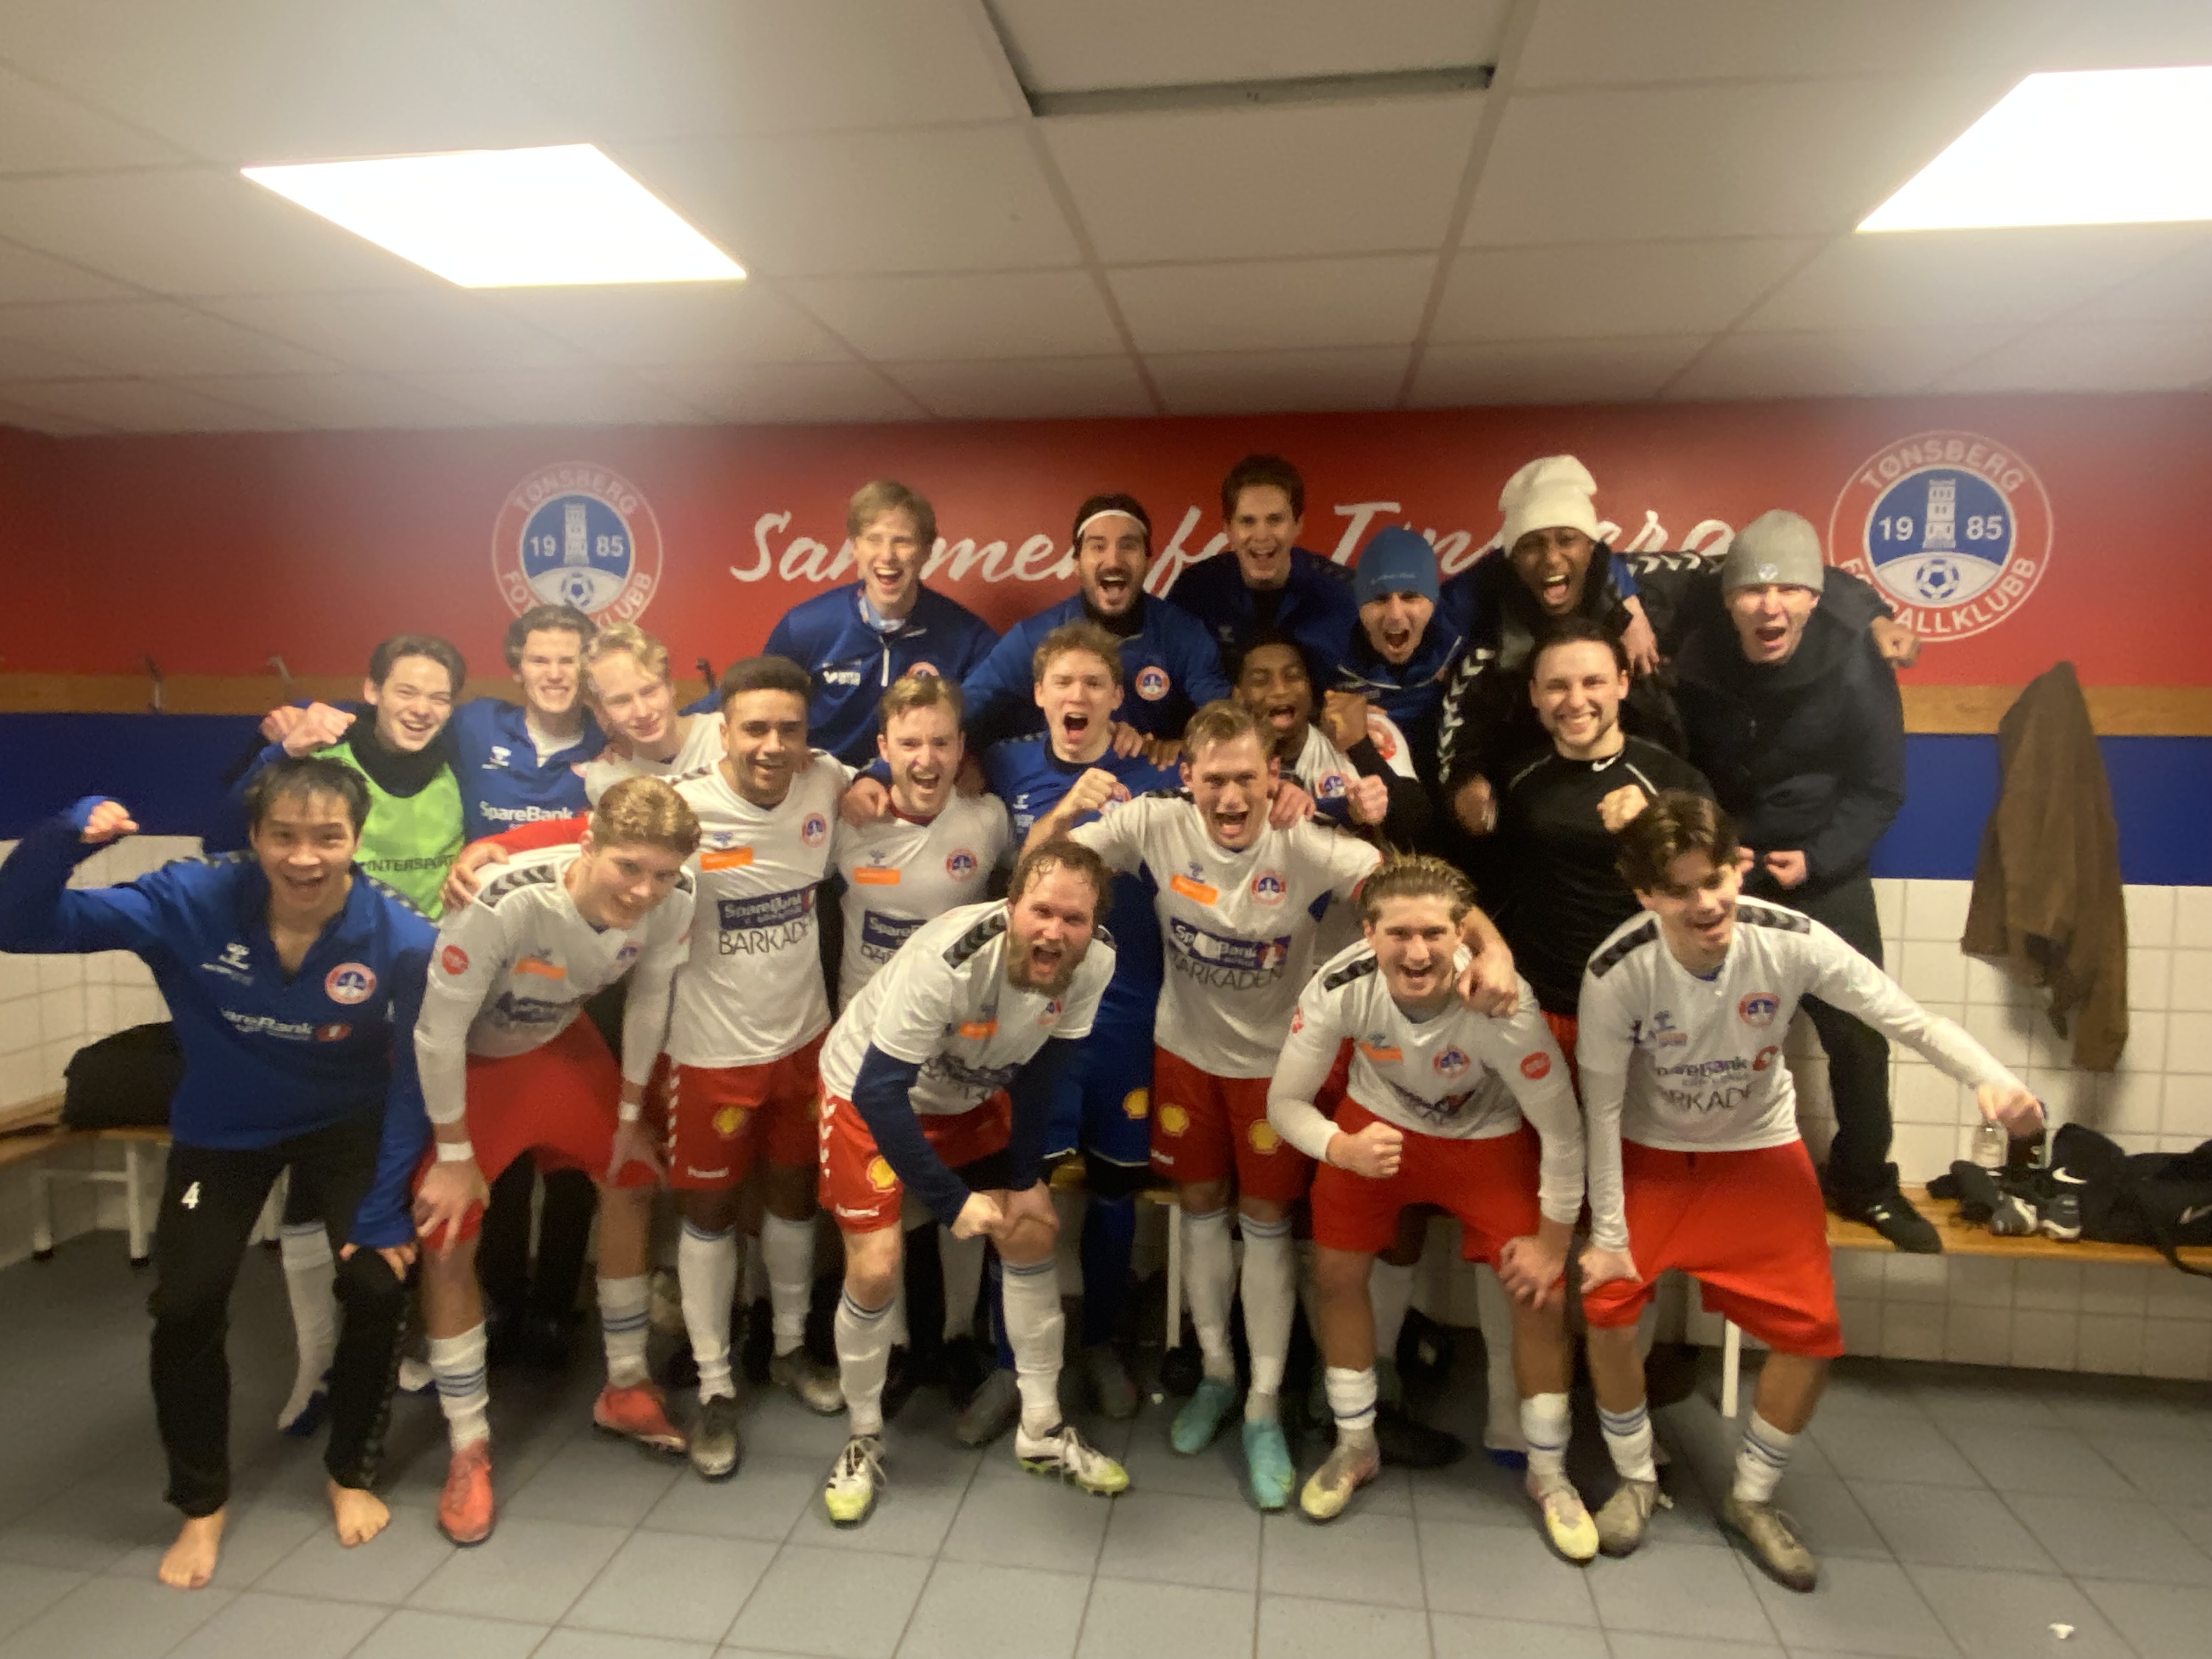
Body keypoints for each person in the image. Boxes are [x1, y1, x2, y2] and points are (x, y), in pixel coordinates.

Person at [1576, 792, 2043, 1589]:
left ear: (1737, 868)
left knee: (1812, 1333)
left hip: (1759, 1153)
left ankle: (1752, 1497)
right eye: (1680, 891)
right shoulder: (1617, 972)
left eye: (1715, 879)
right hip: (1654, 1155)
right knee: (1607, 1311)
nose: (1706, 904)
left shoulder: (1790, 940)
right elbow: (1603, 1109)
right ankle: (1636, 1479)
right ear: (1647, 895)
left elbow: (1906, 1019)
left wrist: (1989, 1078)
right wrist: (1611, 1235)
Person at [0, 758, 431, 1588]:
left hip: (348, 1125)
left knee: (377, 1284)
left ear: (356, 840)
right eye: (284, 836)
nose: (304, 858)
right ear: (255, 836)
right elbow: (19, 924)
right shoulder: (189, 899)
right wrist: (65, 836)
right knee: (187, 1304)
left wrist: (385, 1208)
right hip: (224, 1131)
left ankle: (351, 1472)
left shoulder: (403, 936)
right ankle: (201, 1505)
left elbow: (418, 1074)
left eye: (327, 838)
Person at [1032, 701, 1397, 1510]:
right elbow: (1044, 868)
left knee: (1264, 1225)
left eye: (1247, 780)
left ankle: (1264, 1404)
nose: (1231, 799)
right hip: (1185, 1054)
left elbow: (1397, 894)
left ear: (1275, 777)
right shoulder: (1153, 823)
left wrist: (1363, 819)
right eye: (1215, 780)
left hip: (1276, 1071)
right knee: (1198, 1213)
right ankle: (1219, 1377)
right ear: (1188, 776)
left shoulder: (1304, 840)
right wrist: (1063, 810)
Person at [1267, 856, 1597, 1557]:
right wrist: (1339, 1148)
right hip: (1376, 1127)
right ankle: (1356, 1444)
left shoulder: (1502, 1004)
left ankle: (1550, 1473)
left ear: (1460, 936)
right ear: (1369, 934)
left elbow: (1565, 1134)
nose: (1417, 954)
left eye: (1433, 935)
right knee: (1335, 1273)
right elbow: (1285, 1103)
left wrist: (1552, 1245)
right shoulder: (1340, 986)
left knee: (1539, 1293)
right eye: (1399, 935)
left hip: (1487, 1138)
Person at [410, 777, 698, 1546]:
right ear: (588, 846)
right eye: (628, 868)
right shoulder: (503, 900)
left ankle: (626, 1384)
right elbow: (436, 1036)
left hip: (558, 1045)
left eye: (661, 874)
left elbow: (650, 999)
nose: (644, 892)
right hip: (472, 1062)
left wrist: (630, 1118)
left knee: (632, 1176)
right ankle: (469, 1444)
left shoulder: (677, 895)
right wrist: (454, 1155)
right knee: (447, 1229)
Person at [815, 840, 1131, 1525]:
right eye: (1041, 911)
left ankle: (1041, 1428)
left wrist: (1024, 1178)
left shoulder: (1097, 963)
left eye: (1074, 919)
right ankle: (863, 1436)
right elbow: (878, 1090)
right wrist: (952, 1201)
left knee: (1033, 1228)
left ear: (1094, 926)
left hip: (972, 1092)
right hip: (871, 1093)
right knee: (876, 1266)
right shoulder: (947, 959)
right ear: (1011, 906)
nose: (1055, 932)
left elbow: (1045, 1072)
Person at [1666, 510, 1928, 1250]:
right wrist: (1716, 849)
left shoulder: (1857, 656)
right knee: (1706, 1032)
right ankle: (1710, 1177)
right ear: (1727, 601)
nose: (1770, 606)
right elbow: (1677, 765)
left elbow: (1880, 787)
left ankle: (1865, 1180)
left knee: (1860, 1035)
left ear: (1815, 598)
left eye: (1789, 590)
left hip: (1824, 867)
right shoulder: (1692, 651)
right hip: (1725, 870)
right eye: (1752, 591)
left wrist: (1818, 858)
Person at [982, 623, 1183, 1429]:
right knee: (1020, 1190)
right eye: (1063, 683)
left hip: (1127, 1019)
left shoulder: (1155, 773)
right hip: (1033, 1020)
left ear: (1117, 697)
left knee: (1115, 1192)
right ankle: (1009, 1364)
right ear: (1039, 695)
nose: (1078, 697)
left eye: (1094, 684)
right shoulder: (1005, 764)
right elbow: (1019, 877)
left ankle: (1101, 1344)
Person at [831, 676, 1010, 1407]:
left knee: (960, 1196)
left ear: (962, 747)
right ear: (884, 748)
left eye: (941, 742)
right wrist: (854, 784)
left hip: (958, 1050)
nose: (926, 759)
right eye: (910, 744)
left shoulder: (988, 820)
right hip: (869, 1053)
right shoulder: (846, 819)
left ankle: (960, 1337)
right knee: (889, 1205)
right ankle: (901, 1346)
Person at [1482, 618, 1713, 1052]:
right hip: (1544, 1005)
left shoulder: (1674, 780)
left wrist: (1655, 825)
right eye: (1557, 686)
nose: (1576, 701)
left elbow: (1712, 893)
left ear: (1622, 684)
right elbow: (1496, 886)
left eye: (1593, 682)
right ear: (1534, 694)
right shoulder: (1516, 779)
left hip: (1651, 1006)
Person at [756, 479, 998, 767]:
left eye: (902, 541)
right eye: (874, 539)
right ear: (854, 548)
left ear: (927, 551)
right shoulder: (805, 626)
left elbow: (996, 723)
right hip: (820, 776)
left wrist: (974, 762)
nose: (887, 556)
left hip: (916, 777)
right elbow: (752, 700)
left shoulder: (969, 638)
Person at [960, 493, 1230, 750]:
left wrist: (1184, 748)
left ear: (1148, 561)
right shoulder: (1035, 637)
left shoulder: (1184, 633)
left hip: (1150, 776)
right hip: (1060, 778)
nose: (1113, 561)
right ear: (1077, 562)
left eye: (1128, 546)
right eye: (1098, 547)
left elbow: (1223, 721)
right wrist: (968, 761)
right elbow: (965, 709)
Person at [228, 634, 467, 919]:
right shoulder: (317, 752)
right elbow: (228, 839)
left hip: (433, 937)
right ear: (373, 691)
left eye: (439, 699)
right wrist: (281, 750)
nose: (422, 710)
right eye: (406, 693)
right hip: (332, 933)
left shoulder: (466, 761)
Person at [1165, 454, 1360, 676]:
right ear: (1228, 529)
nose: (1262, 536)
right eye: (1248, 521)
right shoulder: (1194, 592)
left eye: (1275, 520)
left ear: (1298, 524)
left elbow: (1379, 683)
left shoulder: (1347, 595)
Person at [1233, 634, 1424, 842]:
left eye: (1292, 676)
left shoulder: (1369, 729)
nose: (1279, 690)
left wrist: (1360, 747)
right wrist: (1346, 810)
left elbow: (1416, 824)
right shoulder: (1220, 758)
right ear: (1238, 696)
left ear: (1310, 687)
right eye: (1261, 681)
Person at [1330, 525, 1465, 781]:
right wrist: (1319, 720)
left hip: (1447, 780)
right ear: (1359, 606)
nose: (1395, 614)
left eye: (1410, 597)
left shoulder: (1457, 626)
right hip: (1368, 788)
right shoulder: (1328, 647)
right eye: (1380, 598)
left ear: (1434, 603)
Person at [579, 622, 724, 802]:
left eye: (649, 691)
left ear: (670, 686)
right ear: (600, 711)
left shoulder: (725, 737)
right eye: (621, 701)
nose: (642, 712)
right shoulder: (607, 782)